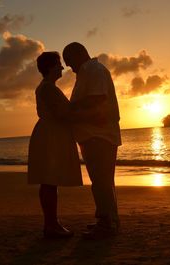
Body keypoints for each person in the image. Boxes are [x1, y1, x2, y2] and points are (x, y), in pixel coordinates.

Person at [63, 42, 122, 239]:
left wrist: (69, 109)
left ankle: (107, 223)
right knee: (102, 180)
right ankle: (108, 219)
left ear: (78, 55)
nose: (70, 68)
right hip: (94, 134)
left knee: (101, 180)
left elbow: (96, 98)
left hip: (99, 135)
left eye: (69, 61)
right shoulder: (89, 72)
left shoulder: (94, 70)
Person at [28, 51, 82, 239]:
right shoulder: (48, 88)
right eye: (58, 64)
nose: (62, 67)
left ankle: (51, 224)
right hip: (51, 135)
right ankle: (51, 225)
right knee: (50, 181)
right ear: (51, 67)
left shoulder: (45, 87)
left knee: (49, 181)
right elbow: (62, 114)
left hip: (48, 134)